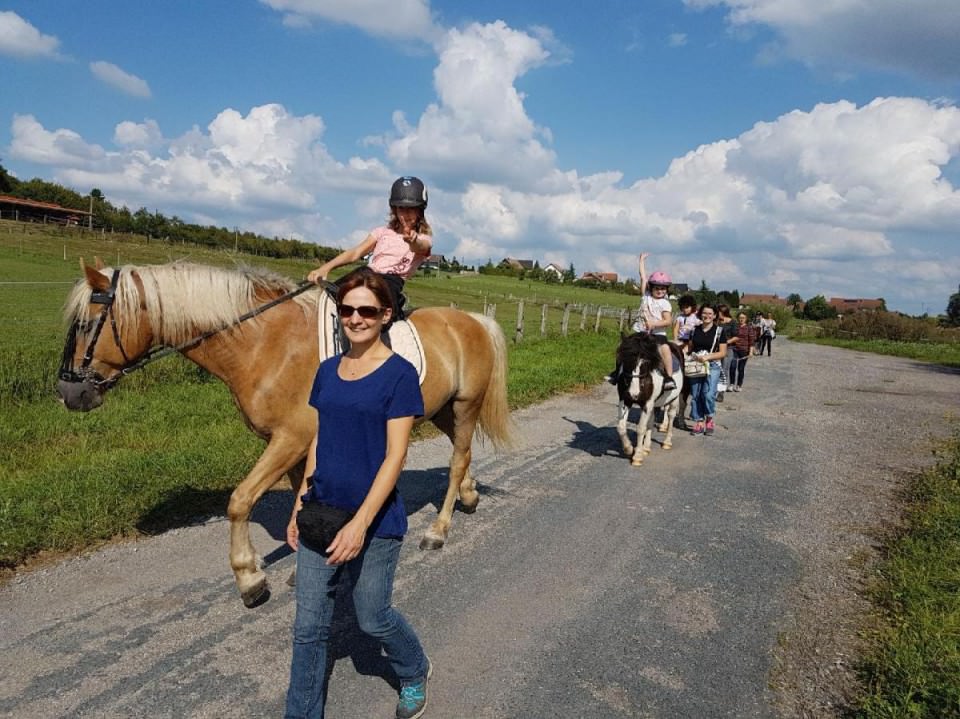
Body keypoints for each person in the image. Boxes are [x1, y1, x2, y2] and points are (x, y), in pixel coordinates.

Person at [285, 267, 431, 719]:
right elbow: (318, 441)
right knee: (309, 629)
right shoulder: (327, 371)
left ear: (385, 315)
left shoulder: (399, 375)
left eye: (367, 310)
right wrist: (297, 505)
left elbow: (395, 458)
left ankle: (414, 669)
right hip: (321, 510)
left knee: (372, 618)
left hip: (374, 520)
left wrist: (359, 524)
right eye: (347, 310)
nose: (356, 318)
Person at [307, 176, 433, 320]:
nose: (406, 214)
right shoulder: (382, 232)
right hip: (366, 273)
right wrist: (325, 268)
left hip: (389, 282)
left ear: (420, 211)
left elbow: (421, 247)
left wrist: (413, 240)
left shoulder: (423, 238)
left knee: (380, 316)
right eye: (401, 208)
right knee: (331, 296)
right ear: (395, 210)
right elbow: (356, 252)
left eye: (411, 209)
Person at [631, 253, 676, 391]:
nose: (660, 291)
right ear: (651, 287)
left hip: (658, 334)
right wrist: (641, 261)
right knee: (626, 348)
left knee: (666, 349)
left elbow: (668, 321)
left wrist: (654, 324)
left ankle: (669, 378)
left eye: (663, 288)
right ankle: (618, 373)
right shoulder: (645, 296)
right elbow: (643, 276)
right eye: (657, 288)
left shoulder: (665, 304)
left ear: (666, 290)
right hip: (640, 331)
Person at [684, 305, 726, 436]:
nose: (707, 316)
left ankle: (709, 417)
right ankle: (699, 421)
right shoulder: (694, 330)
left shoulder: (719, 331)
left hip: (712, 365)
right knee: (696, 395)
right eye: (704, 313)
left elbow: (723, 352)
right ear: (700, 314)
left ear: (714, 316)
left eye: (710, 313)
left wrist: (708, 357)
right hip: (695, 365)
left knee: (708, 394)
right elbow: (690, 348)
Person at [728, 312, 757, 392]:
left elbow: (751, 341)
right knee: (732, 367)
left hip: (744, 351)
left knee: (741, 368)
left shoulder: (749, 328)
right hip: (734, 349)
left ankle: (739, 385)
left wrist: (751, 352)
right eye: (740, 317)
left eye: (743, 318)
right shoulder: (736, 327)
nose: (741, 319)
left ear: (746, 319)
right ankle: (731, 384)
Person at [715, 304, 735, 403]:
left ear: (723, 312)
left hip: (728, 349)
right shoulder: (716, 321)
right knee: (714, 368)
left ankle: (721, 392)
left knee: (724, 370)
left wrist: (726, 342)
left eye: (718, 312)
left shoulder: (732, 322)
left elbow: (736, 336)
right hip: (715, 348)